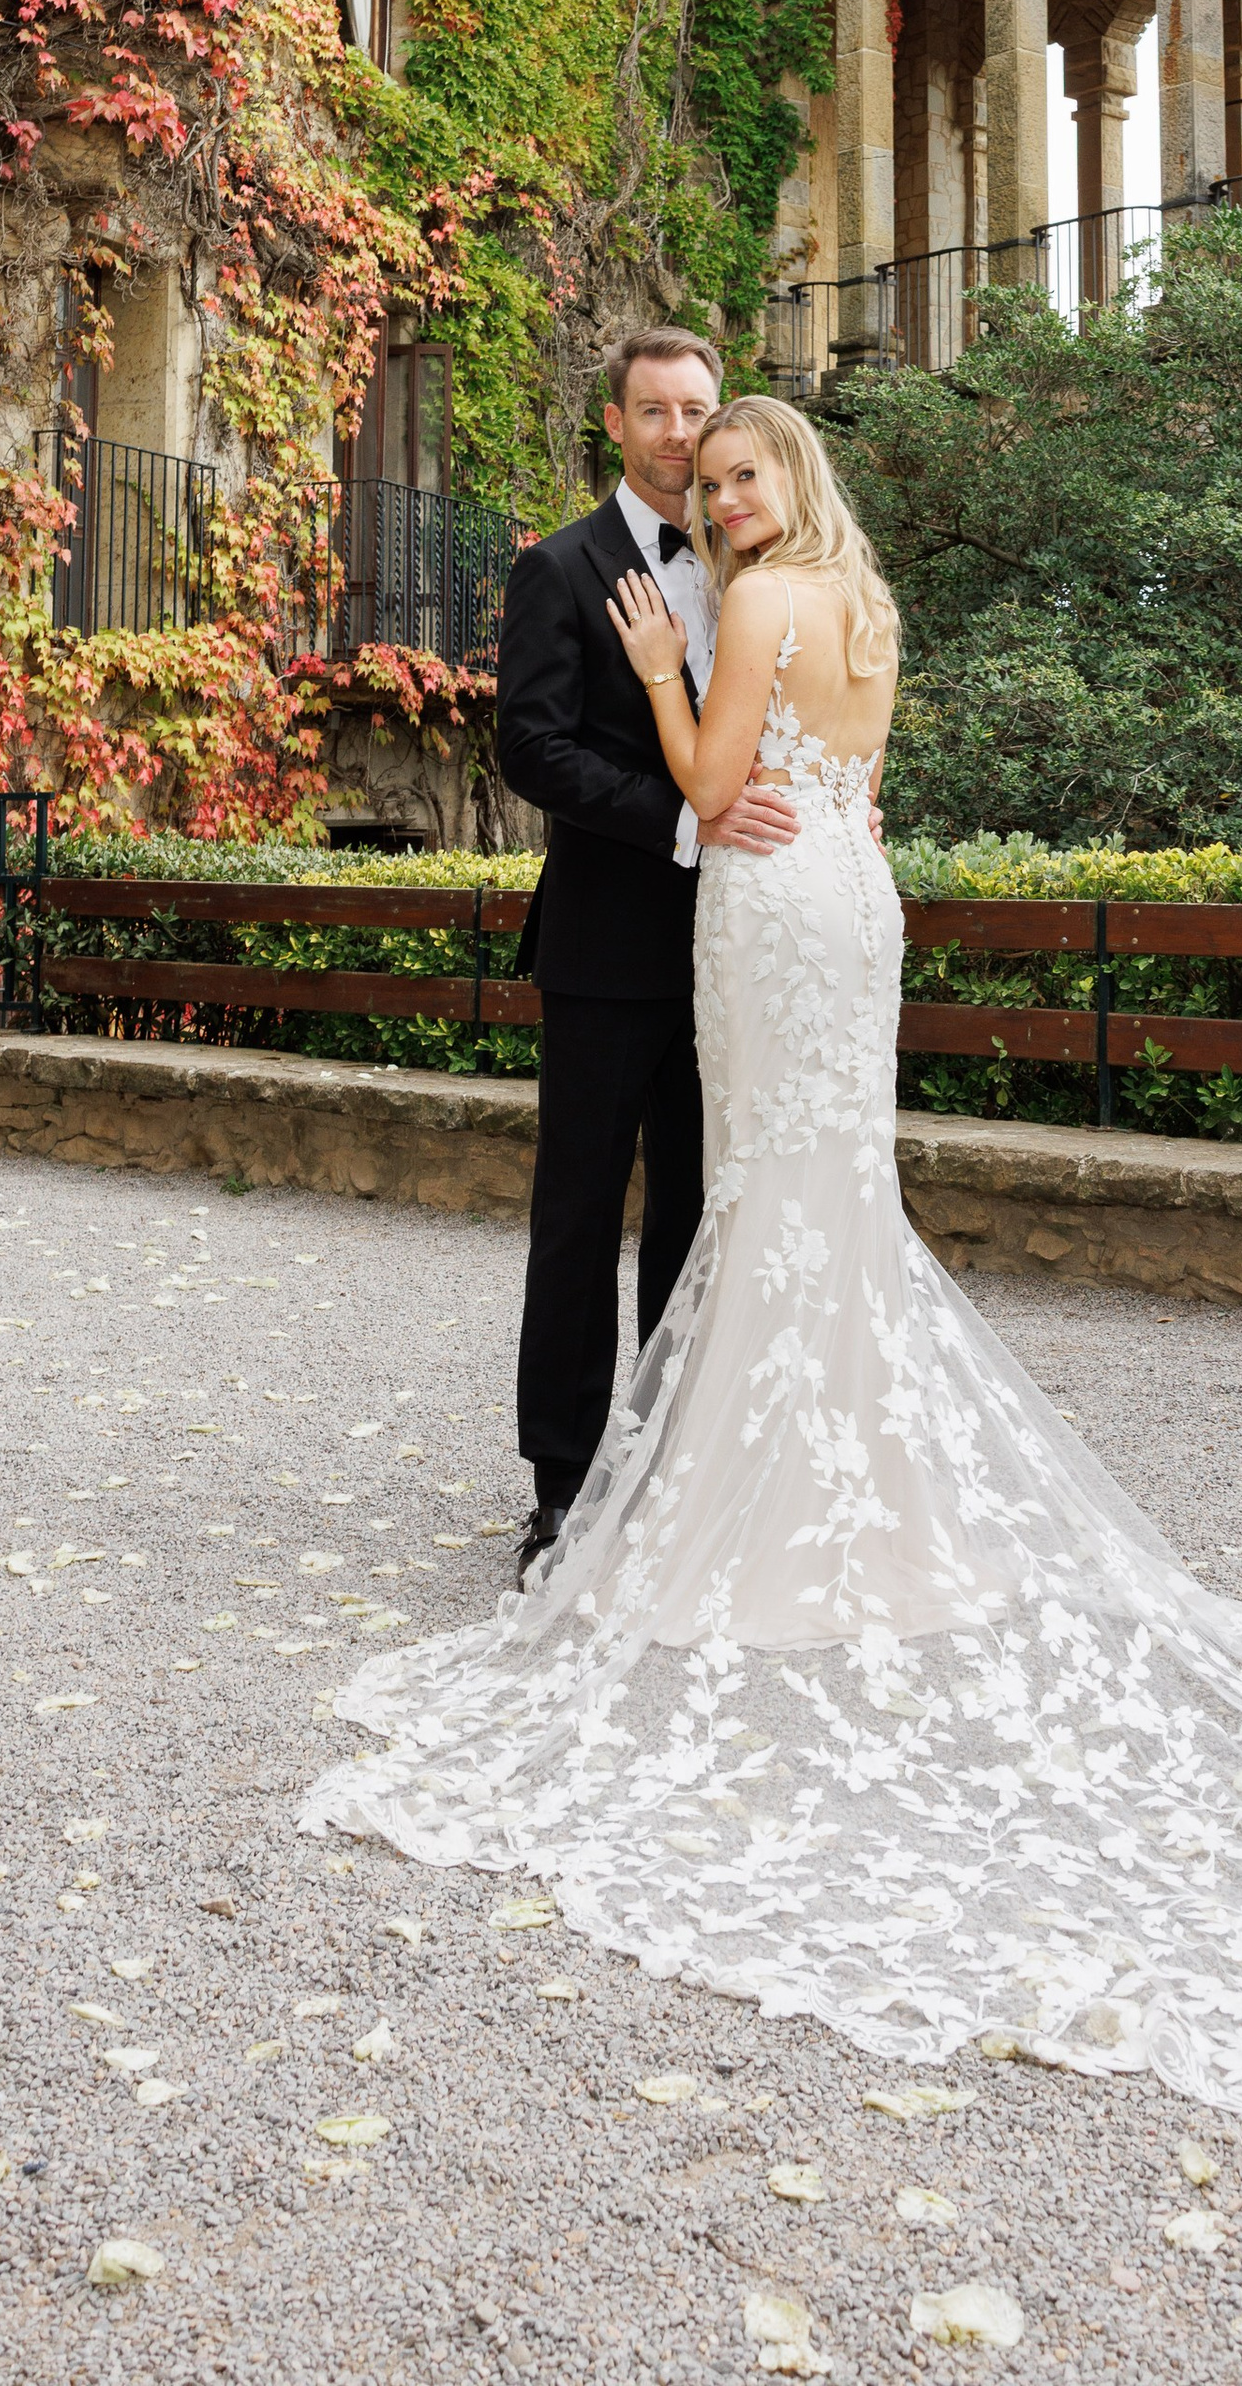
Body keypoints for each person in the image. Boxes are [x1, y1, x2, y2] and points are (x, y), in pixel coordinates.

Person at [304, 399, 1242, 2124]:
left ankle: (758, 1516)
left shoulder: (761, 603)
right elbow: (837, 781)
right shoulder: (866, 607)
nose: (717, 493)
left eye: (740, 471)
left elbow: (721, 790)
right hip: (852, 909)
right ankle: (826, 1494)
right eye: (702, 473)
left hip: (775, 912)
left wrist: (663, 668)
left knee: (774, 1211)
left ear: (788, 483)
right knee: (820, 1204)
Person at [489, 330, 797, 1585]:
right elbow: (531, 749)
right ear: (614, 421)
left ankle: (672, 1465)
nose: (681, 435)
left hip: (735, 945)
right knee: (577, 1217)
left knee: (695, 1208)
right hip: (608, 946)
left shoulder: (753, 567)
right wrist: (683, 819)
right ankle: (561, 1489)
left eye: (700, 411)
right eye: (657, 412)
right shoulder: (558, 568)